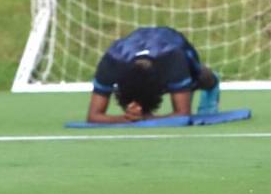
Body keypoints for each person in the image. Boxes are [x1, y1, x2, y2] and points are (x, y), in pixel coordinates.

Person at [86, 26, 219, 124]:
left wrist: (144, 118)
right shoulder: (112, 60)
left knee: (200, 78)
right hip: (136, 41)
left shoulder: (174, 59)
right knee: (179, 85)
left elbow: (182, 115)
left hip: (171, 41)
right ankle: (182, 88)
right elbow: (93, 116)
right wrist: (124, 119)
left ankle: (210, 83)